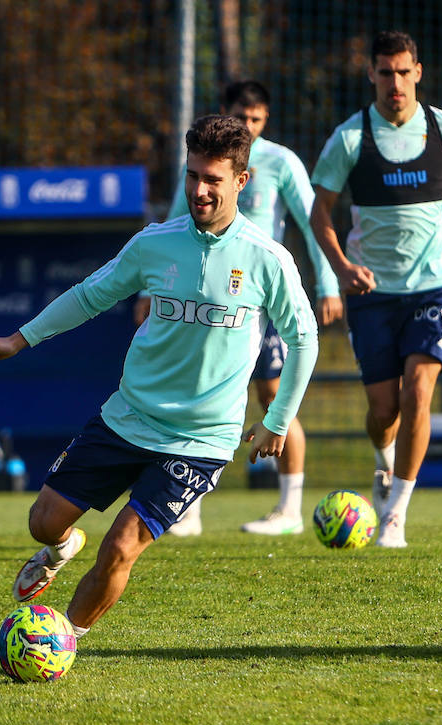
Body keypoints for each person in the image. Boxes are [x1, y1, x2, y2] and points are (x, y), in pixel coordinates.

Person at [0, 115, 318, 637]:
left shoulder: (267, 259)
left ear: (241, 182)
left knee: (121, 547)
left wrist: (277, 419)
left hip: (201, 438)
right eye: (192, 176)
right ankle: (61, 547)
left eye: (213, 180)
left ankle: (59, 640)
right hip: (128, 416)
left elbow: (304, 339)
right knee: (42, 522)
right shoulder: (155, 243)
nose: (199, 190)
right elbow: (92, 295)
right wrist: (19, 339)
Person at [309, 30, 442, 548]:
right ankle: (384, 462)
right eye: (385, 72)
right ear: (371, 74)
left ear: (419, 71)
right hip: (371, 293)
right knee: (383, 411)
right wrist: (343, 267)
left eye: (403, 71)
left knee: (418, 389)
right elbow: (319, 212)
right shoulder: (350, 139)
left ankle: (396, 514)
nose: (395, 82)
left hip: (436, 285)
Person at [140, 80, 341, 537]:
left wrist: (328, 283)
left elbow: (313, 226)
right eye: (241, 119)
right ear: (226, 113)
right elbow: (173, 222)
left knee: (274, 396)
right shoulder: (203, 169)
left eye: (257, 120)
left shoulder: (281, 162)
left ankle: (289, 508)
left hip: (258, 301)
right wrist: (147, 293)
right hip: (206, 294)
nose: (249, 127)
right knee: (197, 390)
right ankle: (185, 507)